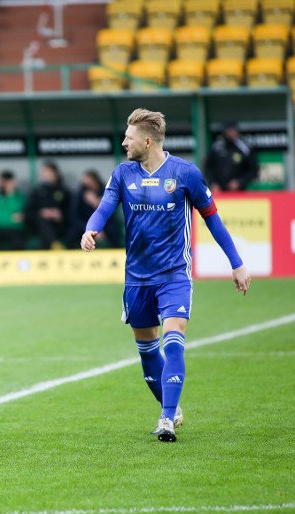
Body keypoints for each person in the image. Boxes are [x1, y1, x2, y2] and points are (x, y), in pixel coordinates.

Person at [81, 108, 250, 443]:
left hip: (174, 275)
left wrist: (237, 262)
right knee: (147, 358)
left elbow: (212, 219)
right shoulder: (122, 173)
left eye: (128, 138)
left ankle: (166, 420)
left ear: (147, 140)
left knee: (174, 344)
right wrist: (91, 230)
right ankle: (172, 407)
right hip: (137, 279)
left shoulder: (185, 173)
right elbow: (104, 207)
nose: (124, 143)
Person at [67, 169, 123, 249]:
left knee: (114, 230)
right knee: (72, 233)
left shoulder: (106, 190)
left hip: (105, 223)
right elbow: (74, 216)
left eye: (89, 183)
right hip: (84, 223)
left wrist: (97, 203)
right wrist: (89, 230)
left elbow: (109, 212)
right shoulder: (80, 193)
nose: (86, 186)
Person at [24, 161, 71, 249]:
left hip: (60, 226)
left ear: (55, 173)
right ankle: (54, 244)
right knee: (43, 222)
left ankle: (55, 245)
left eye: (47, 171)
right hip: (40, 226)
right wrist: (42, 213)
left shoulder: (65, 191)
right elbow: (28, 212)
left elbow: (71, 212)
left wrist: (60, 215)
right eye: (43, 172)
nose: (44, 174)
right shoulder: (37, 191)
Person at [203, 120, 259, 192]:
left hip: (239, 191)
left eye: (232, 130)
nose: (230, 133)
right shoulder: (216, 147)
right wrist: (213, 183)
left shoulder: (244, 148)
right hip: (219, 191)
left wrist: (240, 182)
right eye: (228, 131)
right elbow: (208, 167)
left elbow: (253, 169)